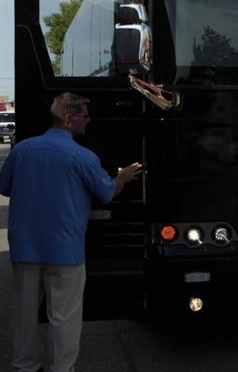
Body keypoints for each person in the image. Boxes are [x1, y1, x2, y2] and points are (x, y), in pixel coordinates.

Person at [0, 92, 142, 372]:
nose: (89, 121)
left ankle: (25, 365)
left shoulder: (22, 150)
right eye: (85, 116)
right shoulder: (82, 156)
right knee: (63, 316)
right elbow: (105, 192)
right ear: (69, 118)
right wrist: (122, 177)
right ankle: (61, 368)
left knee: (25, 313)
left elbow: (4, 187)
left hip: (24, 247)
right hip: (65, 249)